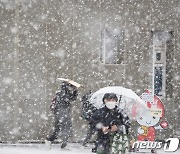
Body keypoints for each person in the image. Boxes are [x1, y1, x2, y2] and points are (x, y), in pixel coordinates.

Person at [45, 81, 78, 149]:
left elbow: (72, 99)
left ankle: (55, 141)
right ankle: (51, 140)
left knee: (62, 129)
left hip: (62, 113)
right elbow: (70, 99)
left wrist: (75, 91)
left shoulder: (63, 93)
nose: (70, 87)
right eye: (69, 86)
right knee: (63, 128)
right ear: (66, 86)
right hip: (61, 113)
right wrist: (74, 91)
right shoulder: (62, 93)